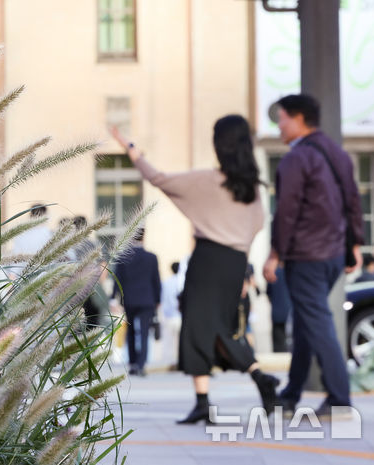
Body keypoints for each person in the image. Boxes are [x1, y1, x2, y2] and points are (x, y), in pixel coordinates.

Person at [111, 115, 279, 424]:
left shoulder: (209, 180)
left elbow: (158, 178)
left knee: (201, 328)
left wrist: (132, 150)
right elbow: (256, 225)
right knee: (210, 329)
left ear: (219, 144)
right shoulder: (251, 188)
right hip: (235, 263)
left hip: (208, 260)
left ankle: (255, 379)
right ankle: (207, 400)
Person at [263, 94, 364, 417]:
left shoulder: (297, 158)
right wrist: (354, 246)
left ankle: (339, 399)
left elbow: (287, 211)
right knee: (307, 322)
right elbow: (353, 203)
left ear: (298, 118)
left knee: (317, 322)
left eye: (281, 119)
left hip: (306, 255)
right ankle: (292, 394)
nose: (278, 126)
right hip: (333, 253)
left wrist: (275, 253)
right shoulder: (339, 154)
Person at [111, 230, 161, 376]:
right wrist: (158, 299)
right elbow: (156, 280)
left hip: (130, 299)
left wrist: (114, 297)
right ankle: (141, 364)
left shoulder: (123, 257)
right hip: (147, 299)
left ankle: (132, 363)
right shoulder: (152, 257)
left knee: (131, 331)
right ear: (144, 237)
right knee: (145, 332)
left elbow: (117, 279)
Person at [160, 261, 183, 368]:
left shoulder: (166, 282)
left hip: (169, 315)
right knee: (180, 341)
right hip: (180, 316)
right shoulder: (182, 282)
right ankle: (180, 361)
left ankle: (169, 362)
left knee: (168, 341)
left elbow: (163, 299)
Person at [267, 267, 293, 352]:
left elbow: (269, 293)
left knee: (278, 345)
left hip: (277, 312)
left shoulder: (273, 273)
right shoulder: (292, 272)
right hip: (290, 312)